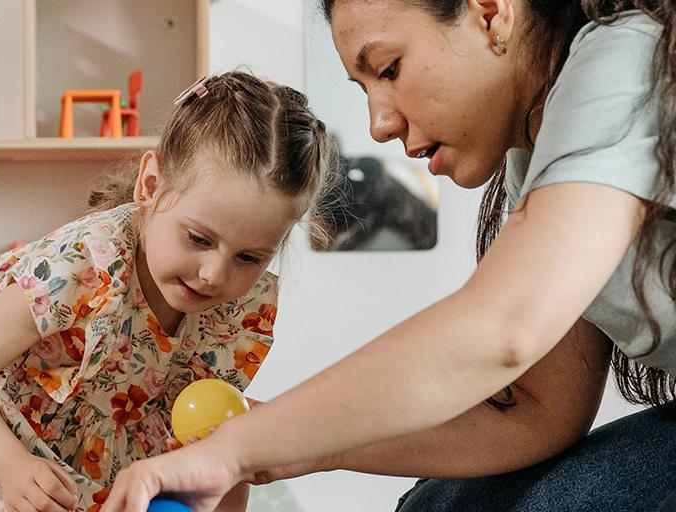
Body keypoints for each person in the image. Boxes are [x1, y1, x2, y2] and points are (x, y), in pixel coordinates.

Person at [101, 1, 676, 511]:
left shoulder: (621, 60)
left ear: (490, 11)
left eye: (389, 69)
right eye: (364, 88)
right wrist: (277, 446)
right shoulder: (536, 161)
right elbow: (538, 412)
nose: (379, 124)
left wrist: (235, 449)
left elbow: (502, 331)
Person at [0, 71, 329, 512]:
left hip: (100, 453)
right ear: (151, 186)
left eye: (250, 258)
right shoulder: (84, 265)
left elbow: (224, 442)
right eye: (198, 239)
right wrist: (10, 466)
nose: (215, 274)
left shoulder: (241, 306)